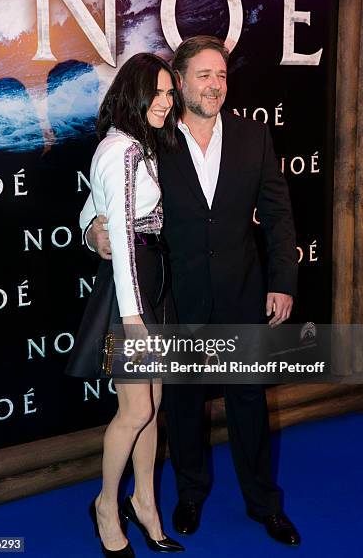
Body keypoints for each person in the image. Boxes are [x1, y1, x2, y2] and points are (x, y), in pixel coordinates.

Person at [84, 36, 301, 548]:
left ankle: (264, 504)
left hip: (243, 294)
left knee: (250, 403)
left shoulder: (254, 137)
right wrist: (92, 228)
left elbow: (279, 217)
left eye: (222, 75)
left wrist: (282, 283)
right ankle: (188, 495)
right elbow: (105, 192)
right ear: (178, 83)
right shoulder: (154, 139)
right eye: (203, 75)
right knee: (181, 407)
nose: (215, 85)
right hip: (175, 297)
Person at [66, 53, 185, 556]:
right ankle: (106, 507)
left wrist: (89, 230)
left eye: (168, 94)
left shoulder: (139, 145)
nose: (165, 102)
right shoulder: (123, 150)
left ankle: (146, 502)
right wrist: (134, 317)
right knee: (136, 409)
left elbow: (93, 209)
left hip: (148, 283)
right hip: (130, 289)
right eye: (155, 93)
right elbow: (118, 231)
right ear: (133, 94)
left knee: (151, 407)